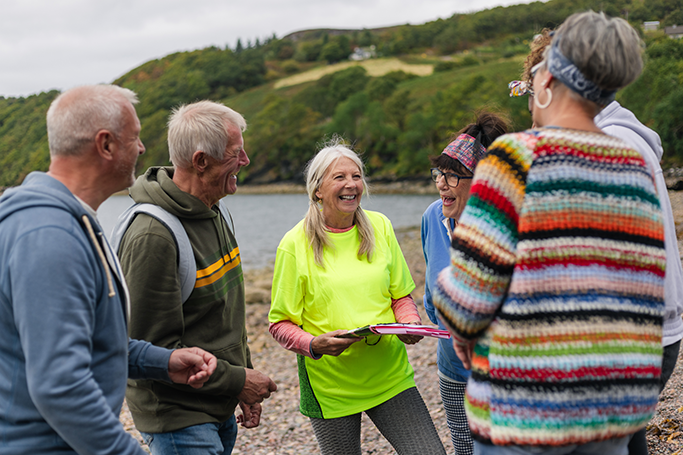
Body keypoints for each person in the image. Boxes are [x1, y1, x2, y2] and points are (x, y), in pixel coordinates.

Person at [434, 11, 667, 454]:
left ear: (546, 80)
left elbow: (468, 296)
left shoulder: (517, 157)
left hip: (528, 405)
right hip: (616, 402)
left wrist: (460, 327)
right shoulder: (635, 165)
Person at [0, 84, 218, 455]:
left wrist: (161, 361)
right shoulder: (50, 236)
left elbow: (86, 341)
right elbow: (60, 386)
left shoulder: (71, 221)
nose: (142, 149)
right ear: (106, 145)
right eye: (134, 137)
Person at [511, 28, 683, 455]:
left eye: (528, 86)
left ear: (552, 81)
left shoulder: (601, 147)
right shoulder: (624, 139)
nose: (529, 100)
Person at [114, 100, 277, 455]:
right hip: (177, 418)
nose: (246, 161)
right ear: (201, 161)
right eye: (237, 153)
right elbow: (144, 352)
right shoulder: (152, 236)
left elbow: (224, 314)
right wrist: (238, 380)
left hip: (217, 401)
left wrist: (240, 382)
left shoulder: (212, 210)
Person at [268, 140, 446, 455]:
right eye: (339, 177)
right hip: (330, 385)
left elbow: (400, 296)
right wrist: (314, 345)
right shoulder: (293, 244)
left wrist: (409, 323)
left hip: (389, 375)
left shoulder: (381, 226)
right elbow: (280, 323)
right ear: (317, 190)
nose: (351, 184)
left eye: (356, 176)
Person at [422, 112, 509, 455]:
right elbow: (432, 298)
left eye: (453, 176)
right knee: (464, 448)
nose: (442, 183)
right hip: (452, 367)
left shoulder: (507, 223)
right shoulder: (433, 216)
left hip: (502, 372)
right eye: (439, 174)